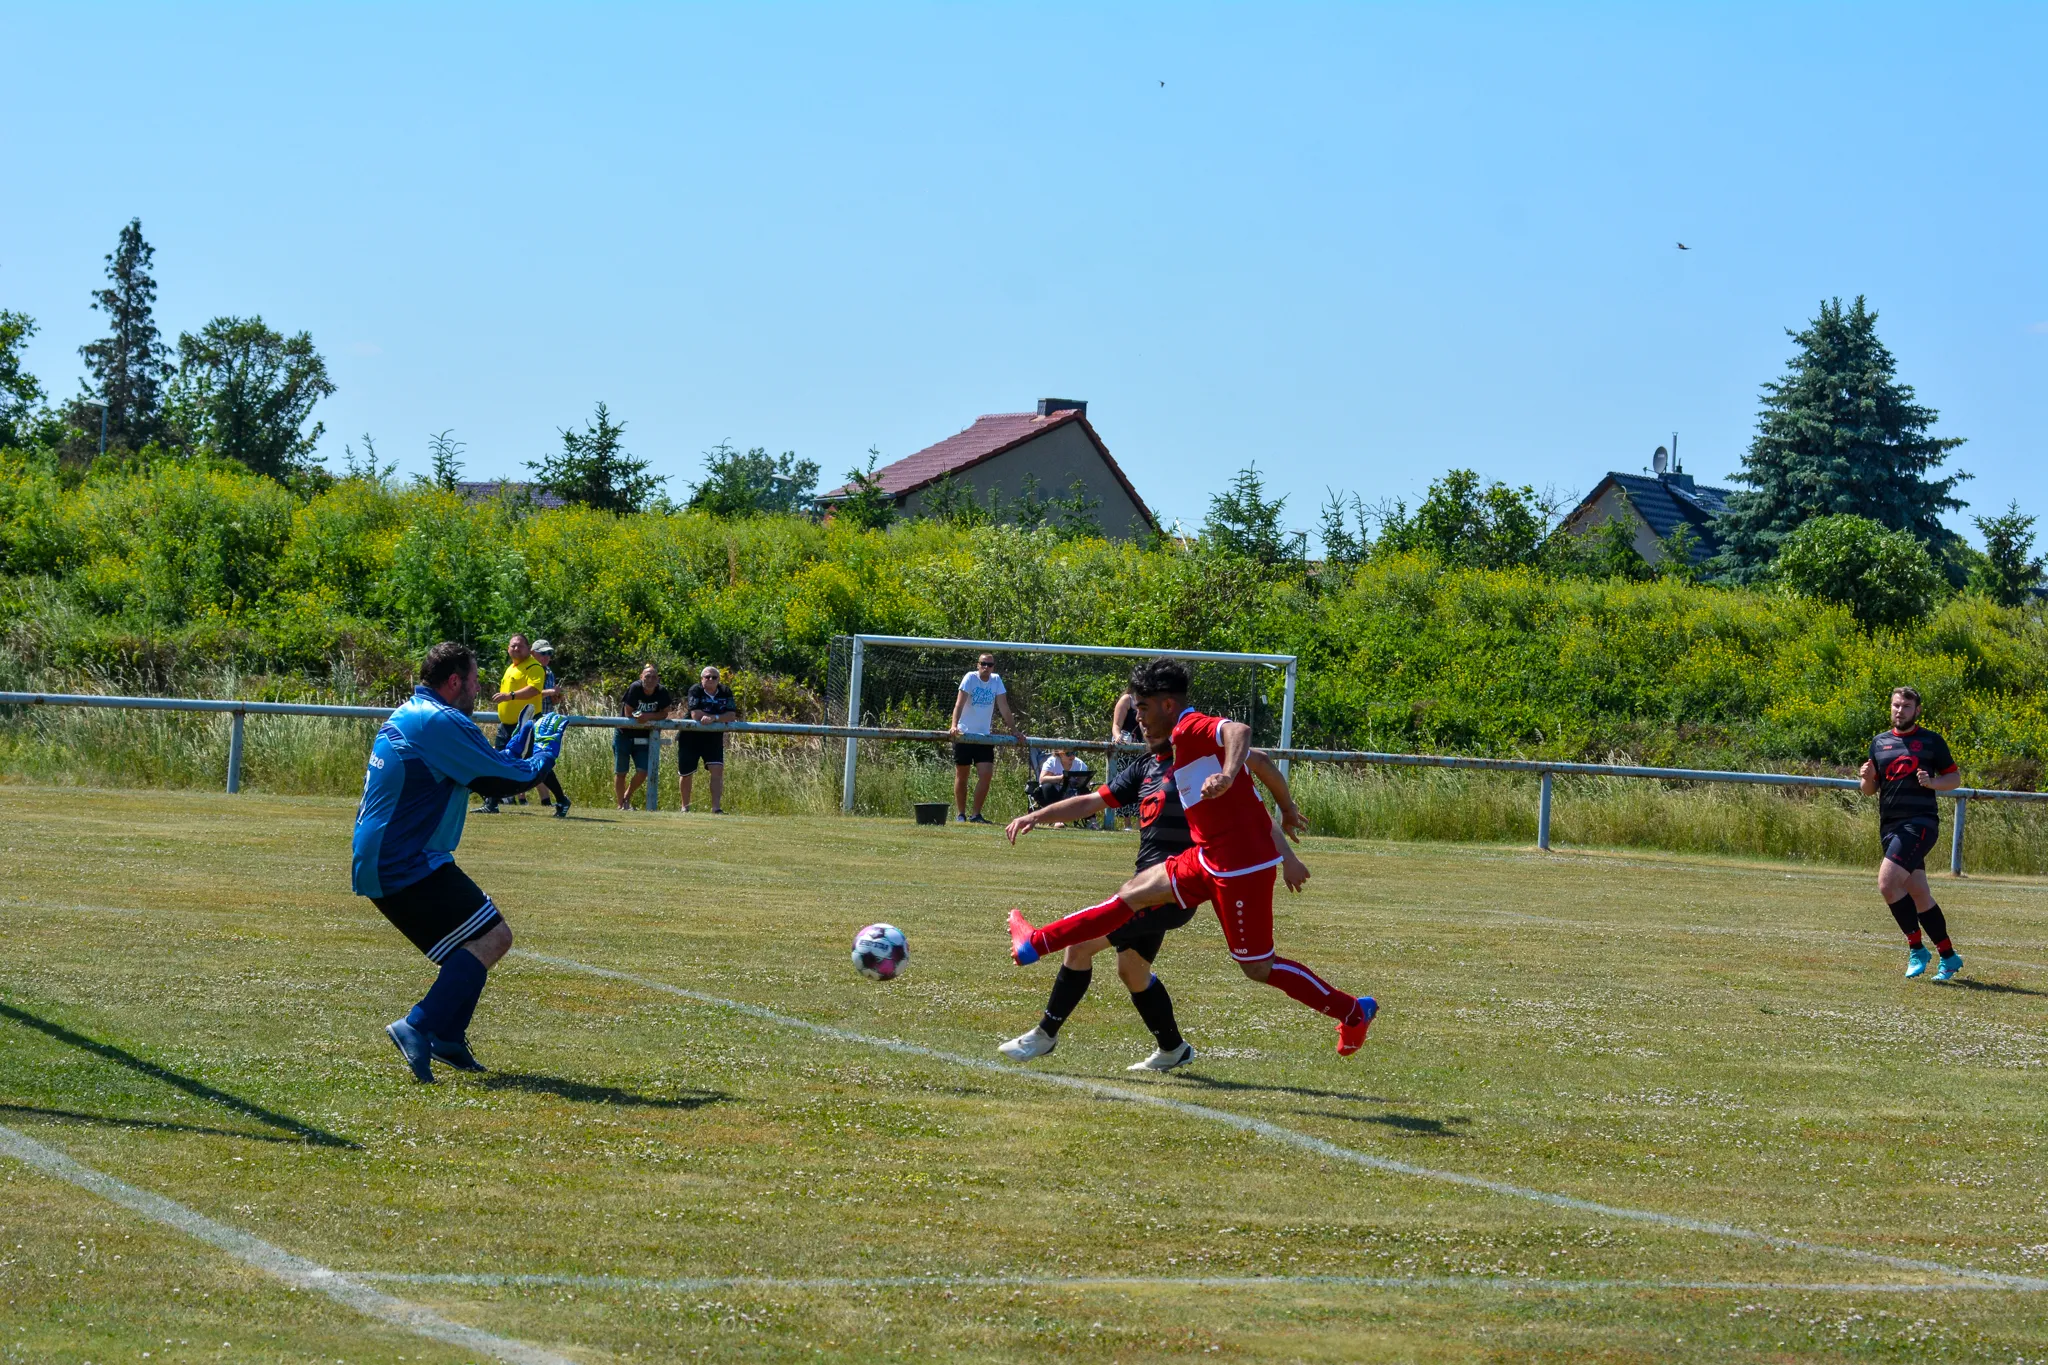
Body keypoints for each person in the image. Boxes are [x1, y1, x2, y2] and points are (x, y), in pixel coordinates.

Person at [1005, 658, 1377, 1057]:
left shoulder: (1189, 727)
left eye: (1143, 709)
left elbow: (1240, 732)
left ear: (1168, 705)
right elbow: (1260, 774)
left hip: (1238, 869)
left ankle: (1353, 1012)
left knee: (1257, 967)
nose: (1137, 720)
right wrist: (1285, 809)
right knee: (1130, 900)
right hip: (1205, 858)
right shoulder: (1158, 757)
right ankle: (1035, 943)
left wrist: (1231, 777)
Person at [998, 735, 1308, 1071]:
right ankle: (1173, 1049)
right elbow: (1091, 802)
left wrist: (1287, 857)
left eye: (1148, 712)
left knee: (1080, 944)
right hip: (1145, 888)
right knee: (1132, 971)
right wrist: (1037, 816)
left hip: (1174, 891)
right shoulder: (1145, 767)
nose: (1143, 724)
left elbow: (1255, 811)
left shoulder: (1206, 760)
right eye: (1140, 714)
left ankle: (1045, 1034)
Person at [351, 641, 567, 1081]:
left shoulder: (416, 713)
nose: (478, 688)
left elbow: (482, 767)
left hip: (388, 857)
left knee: (472, 944)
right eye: (473, 680)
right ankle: (417, 1025)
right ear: (454, 682)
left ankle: (447, 1036)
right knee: (493, 936)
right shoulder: (439, 721)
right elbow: (503, 782)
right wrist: (544, 753)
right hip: (404, 861)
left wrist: (517, 745)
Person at [1859, 685, 1964, 981]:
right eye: (1896, 705)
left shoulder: (1931, 741)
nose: (1899, 711)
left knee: (1887, 884)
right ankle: (1949, 956)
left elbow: (1954, 778)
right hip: (1890, 826)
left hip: (1920, 823)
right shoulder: (1879, 742)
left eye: (1906, 706)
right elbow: (1869, 790)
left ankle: (1917, 949)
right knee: (1919, 893)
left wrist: (1932, 783)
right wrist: (1866, 779)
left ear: (1917, 710)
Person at [479, 633, 546, 813]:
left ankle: (560, 799)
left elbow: (534, 689)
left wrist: (510, 696)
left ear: (529, 649)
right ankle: (491, 803)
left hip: (525, 725)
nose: (515, 648)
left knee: (535, 762)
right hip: (506, 725)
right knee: (497, 760)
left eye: (520, 646)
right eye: (512, 646)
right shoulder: (511, 668)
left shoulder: (534, 666)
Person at [949, 652, 1018, 824]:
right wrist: (954, 725)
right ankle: (961, 814)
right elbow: (959, 704)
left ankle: (976, 814)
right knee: (962, 775)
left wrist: (1014, 731)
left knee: (986, 775)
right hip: (964, 734)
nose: (986, 667)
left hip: (984, 736)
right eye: (983, 664)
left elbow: (1004, 707)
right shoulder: (970, 678)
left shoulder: (996, 680)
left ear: (993, 667)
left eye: (990, 664)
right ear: (977, 665)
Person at [680, 665, 741, 813]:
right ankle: (685, 807)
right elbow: (695, 715)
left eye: (714, 677)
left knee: (717, 770)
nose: (711, 679)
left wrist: (714, 718)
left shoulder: (725, 691)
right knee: (686, 773)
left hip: (713, 737)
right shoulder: (695, 690)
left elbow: (731, 715)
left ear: (719, 679)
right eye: (707, 677)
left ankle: (716, 808)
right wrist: (714, 717)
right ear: (702, 679)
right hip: (690, 736)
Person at [614, 663, 673, 810]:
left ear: (658, 679)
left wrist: (647, 716)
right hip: (624, 734)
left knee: (643, 770)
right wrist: (642, 716)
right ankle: (620, 805)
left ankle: (626, 797)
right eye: (647, 676)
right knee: (621, 772)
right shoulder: (635, 688)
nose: (650, 680)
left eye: (654, 677)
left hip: (645, 736)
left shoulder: (661, 691)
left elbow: (665, 713)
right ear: (641, 677)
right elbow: (628, 712)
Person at [528, 639, 571, 818]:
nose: (547, 657)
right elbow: (531, 692)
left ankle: (555, 798)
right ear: (533, 653)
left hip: (543, 721)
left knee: (540, 761)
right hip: (528, 719)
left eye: (549, 653)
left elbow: (546, 698)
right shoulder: (529, 669)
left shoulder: (549, 672)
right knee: (529, 759)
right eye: (543, 653)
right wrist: (551, 692)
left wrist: (556, 697)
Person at [1103, 688, 1145, 832]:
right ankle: (1127, 824)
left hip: (1142, 749)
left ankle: (1141, 824)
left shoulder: (1150, 701)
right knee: (1125, 784)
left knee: (1142, 785)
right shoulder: (1127, 699)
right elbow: (1116, 725)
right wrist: (1118, 738)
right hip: (1124, 748)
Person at [1034, 747, 1092, 814]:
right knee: (1047, 787)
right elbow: (1042, 779)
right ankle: (1055, 815)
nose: (1072, 756)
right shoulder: (1052, 762)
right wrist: (1060, 778)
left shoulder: (1080, 764)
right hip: (1054, 794)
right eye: (1068, 754)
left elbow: (1086, 784)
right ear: (1060, 753)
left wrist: (1083, 782)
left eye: (1074, 753)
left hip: (1072, 794)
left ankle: (1091, 818)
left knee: (1085, 790)